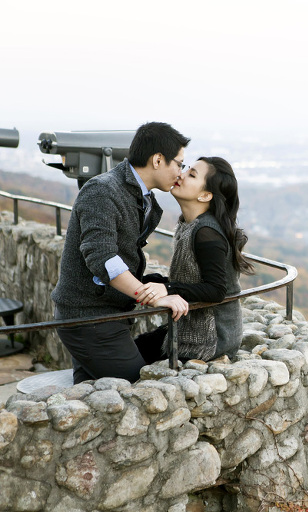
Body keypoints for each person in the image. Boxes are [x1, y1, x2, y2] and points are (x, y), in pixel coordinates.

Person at [52, 122, 191, 384]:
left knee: (95, 398)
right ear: (158, 160)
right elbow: (103, 258)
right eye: (179, 164)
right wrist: (147, 295)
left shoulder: (140, 195)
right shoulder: (102, 190)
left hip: (106, 316)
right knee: (138, 390)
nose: (181, 172)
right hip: (89, 319)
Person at [135, 156, 254, 362]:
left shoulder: (207, 232)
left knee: (131, 359)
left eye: (191, 175)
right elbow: (193, 281)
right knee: (134, 349)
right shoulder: (189, 224)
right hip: (192, 326)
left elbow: (216, 290)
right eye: (187, 169)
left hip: (211, 337)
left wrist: (169, 289)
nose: (181, 174)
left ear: (205, 195)